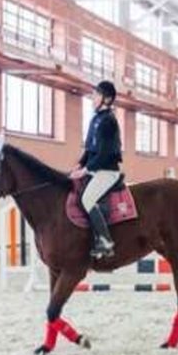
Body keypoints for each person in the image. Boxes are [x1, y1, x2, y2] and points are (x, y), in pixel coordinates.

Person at [73, 80, 122, 258]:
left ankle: (105, 241)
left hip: (107, 171)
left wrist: (85, 171)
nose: (93, 98)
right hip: (94, 169)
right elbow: (89, 149)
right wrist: (79, 164)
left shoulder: (109, 121)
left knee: (87, 199)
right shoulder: (95, 119)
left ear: (107, 99)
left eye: (96, 95)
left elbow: (103, 153)